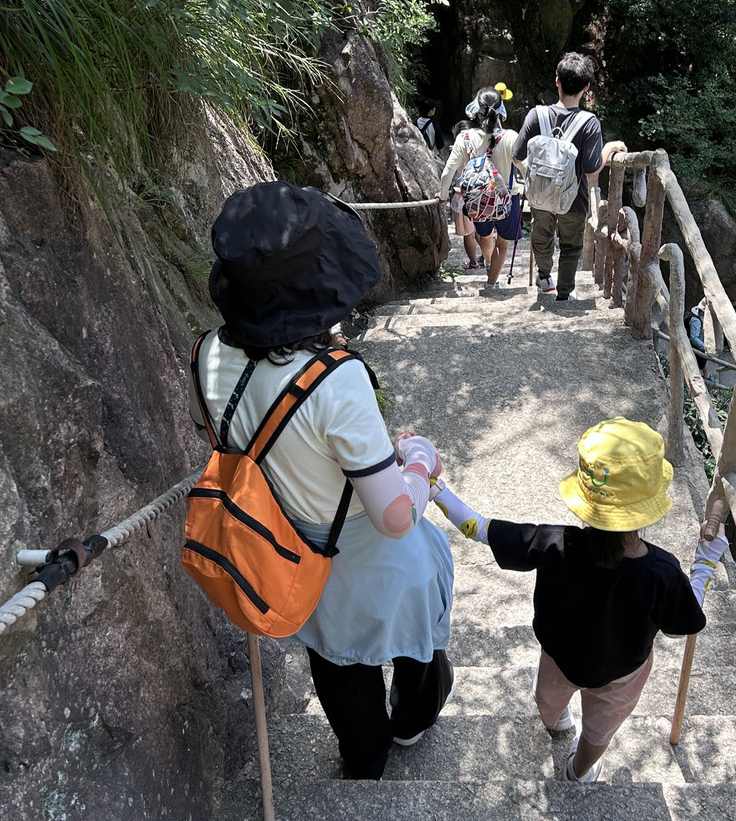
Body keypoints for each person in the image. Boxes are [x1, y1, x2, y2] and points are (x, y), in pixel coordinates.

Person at [190, 181, 454, 780]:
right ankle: (410, 723)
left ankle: (364, 758)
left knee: (335, 660)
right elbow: (393, 516)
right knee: (416, 638)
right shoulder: (336, 380)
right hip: (371, 551)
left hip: (290, 551)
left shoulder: (205, 354)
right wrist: (419, 462)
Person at [429, 418, 729, 783]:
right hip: (622, 673)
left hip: (560, 658)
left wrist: (435, 488)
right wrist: (704, 563)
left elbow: (478, 527)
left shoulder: (552, 542)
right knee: (599, 732)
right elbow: (688, 615)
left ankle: (557, 723)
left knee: (549, 701)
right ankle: (578, 772)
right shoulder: (661, 572)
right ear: (644, 505)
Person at [511, 52, 626, 303]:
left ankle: (544, 277)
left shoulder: (536, 115)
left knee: (541, 239)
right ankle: (564, 295)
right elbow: (592, 170)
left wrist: (536, 173)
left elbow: (516, 156)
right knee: (570, 247)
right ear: (586, 89)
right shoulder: (589, 123)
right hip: (573, 200)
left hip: (540, 196)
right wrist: (610, 148)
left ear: (557, 82)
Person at [439, 86, 523, 292]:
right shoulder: (511, 137)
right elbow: (526, 167)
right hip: (507, 198)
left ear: (476, 110)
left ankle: (488, 264)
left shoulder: (464, 138)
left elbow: (447, 174)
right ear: (501, 110)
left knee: (485, 236)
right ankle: (492, 282)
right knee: (502, 243)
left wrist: (443, 196)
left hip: (477, 200)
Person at [448, 119, 484, 270]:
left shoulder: (456, 150)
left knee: (468, 233)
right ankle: (486, 257)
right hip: (480, 194)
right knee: (480, 230)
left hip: (462, 196)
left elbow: (450, 174)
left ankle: (473, 263)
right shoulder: (481, 148)